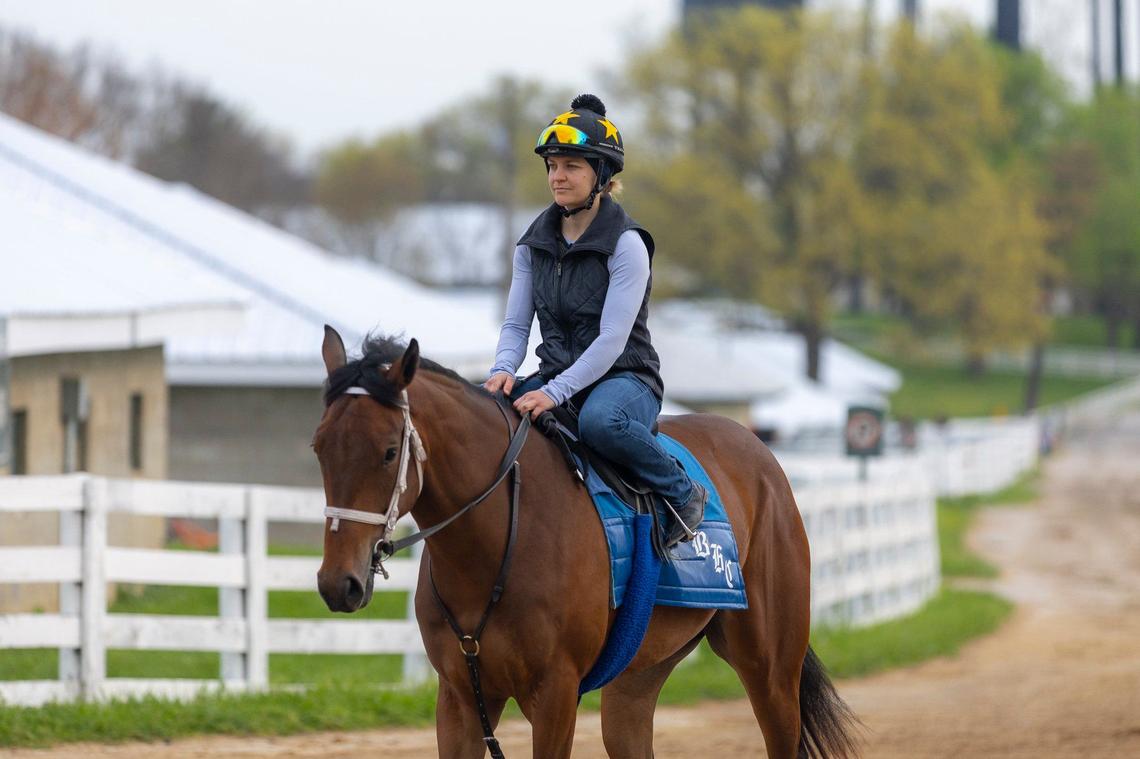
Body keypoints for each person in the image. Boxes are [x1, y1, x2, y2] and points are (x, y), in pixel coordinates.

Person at [482, 93, 706, 547]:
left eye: (571, 166)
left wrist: (551, 392)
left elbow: (610, 342)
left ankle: (683, 493)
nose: (557, 177)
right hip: (555, 377)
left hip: (626, 379)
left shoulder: (627, 245)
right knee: (487, 417)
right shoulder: (531, 245)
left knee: (600, 423)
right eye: (552, 166)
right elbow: (516, 326)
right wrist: (503, 370)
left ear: (600, 176)